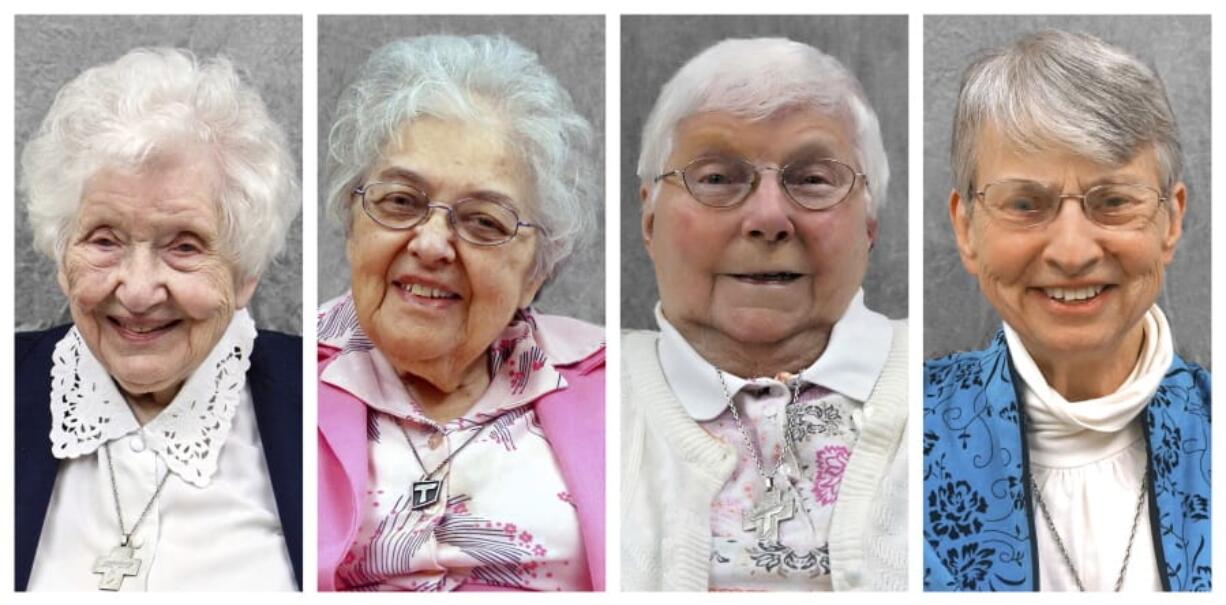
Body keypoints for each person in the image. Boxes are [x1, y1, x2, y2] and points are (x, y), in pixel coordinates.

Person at [923, 30, 1210, 592]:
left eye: (1114, 202)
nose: (1073, 252)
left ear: (1171, 221)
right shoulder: (897, 430)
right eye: (1026, 205)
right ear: (966, 228)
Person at [316, 35, 605, 592]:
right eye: (400, 201)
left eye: (483, 222)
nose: (430, 244)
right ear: (353, 224)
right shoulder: (279, 383)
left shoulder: (619, 380)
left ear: (536, 272)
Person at [621, 37, 907, 591]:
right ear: (649, 219)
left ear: (870, 226)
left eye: (813, 180)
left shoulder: (945, 398)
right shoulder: (587, 396)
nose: (769, 218)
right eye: (717, 178)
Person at [14, 48, 302, 591]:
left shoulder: (319, 399)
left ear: (245, 274)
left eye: (184, 246)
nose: (139, 291)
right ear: (61, 255)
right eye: (104, 240)